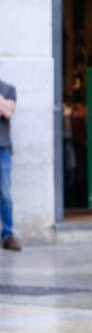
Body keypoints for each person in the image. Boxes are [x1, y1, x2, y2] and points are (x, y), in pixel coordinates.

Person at [0, 76, 17, 250]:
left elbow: (7, 113)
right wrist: (4, 104)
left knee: (5, 193)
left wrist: (4, 105)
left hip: (3, 148)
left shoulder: (9, 88)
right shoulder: (6, 94)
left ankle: (8, 235)